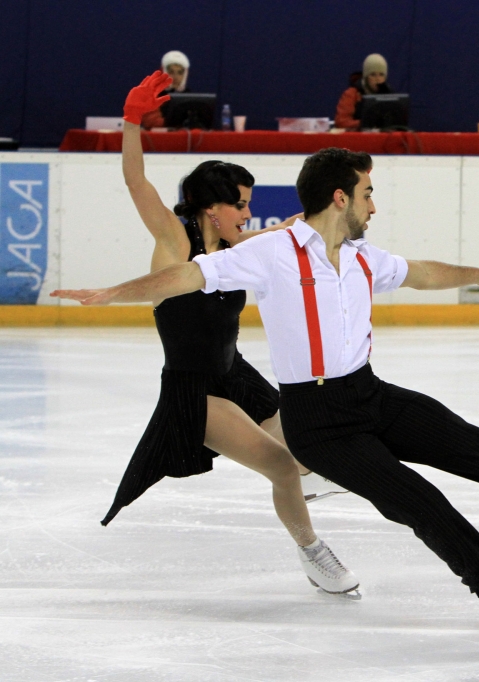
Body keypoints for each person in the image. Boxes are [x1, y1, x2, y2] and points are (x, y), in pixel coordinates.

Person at [52, 147, 479, 631]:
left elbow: (422, 271)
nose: (374, 206)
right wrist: (112, 292)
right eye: (368, 194)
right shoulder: (272, 254)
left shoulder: (359, 255)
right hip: (317, 422)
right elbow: (189, 275)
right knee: (418, 499)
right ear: (339, 197)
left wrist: (478, 275)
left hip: (369, 395)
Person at [110, 71, 360, 597]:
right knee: (283, 468)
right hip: (196, 389)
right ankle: (315, 554)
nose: (247, 214)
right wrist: (133, 121)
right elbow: (137, 183)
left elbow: (272, 237)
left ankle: (308, 478)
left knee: (306, 443)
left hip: (235, 374)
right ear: (210, 208)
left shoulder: (235, 249)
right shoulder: (174, 243)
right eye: (240, 204)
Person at [335, 53, 393, 130]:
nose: (378, 79)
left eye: (381, 75)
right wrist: (365, 123)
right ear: (365, 77)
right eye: (373, 75)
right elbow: (341, 122)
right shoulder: (352, 94)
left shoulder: (390, 95)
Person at [142, 51, 191, 129]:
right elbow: (151, 122)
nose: (175, 77)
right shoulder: (152, 95)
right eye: (171, 72)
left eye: (180, 73)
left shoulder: (190, 97)